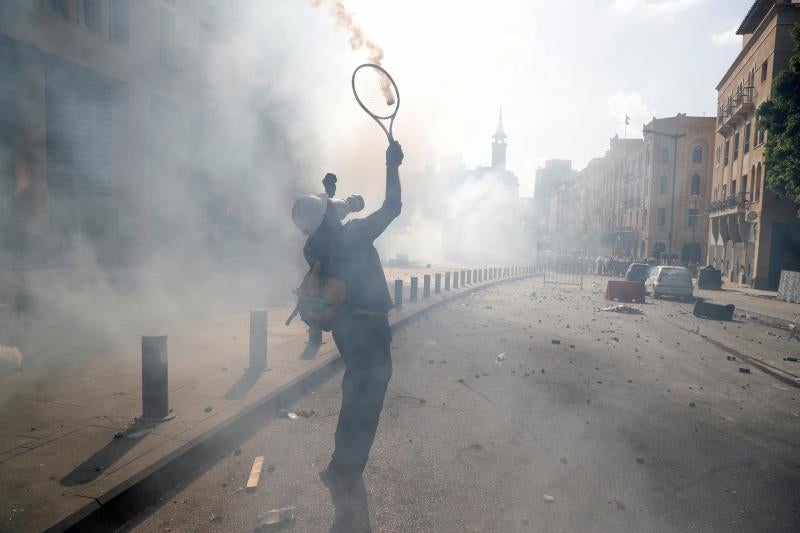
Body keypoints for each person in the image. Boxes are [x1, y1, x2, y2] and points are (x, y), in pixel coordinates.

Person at [292, 141, 404, 492]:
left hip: (345, 330)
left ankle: (339, 467)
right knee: (367, 403)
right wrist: (392, 166)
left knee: (353, 393)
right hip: (370, 327)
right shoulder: (355, 233)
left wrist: (328, 197)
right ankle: (346, 474)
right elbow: (393, 206)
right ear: (332, 214)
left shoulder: (312, 246)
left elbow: (325, 228)